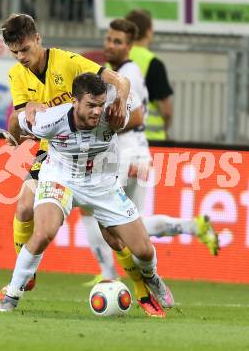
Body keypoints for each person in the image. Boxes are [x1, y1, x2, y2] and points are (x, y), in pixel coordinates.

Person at [0, 73, 174, 313]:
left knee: (143, 250)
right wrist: (16, 140)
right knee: (44, 232)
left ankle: (151, 277)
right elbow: (16, 119)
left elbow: (134, 107)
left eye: (100, 105)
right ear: (74, 102)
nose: (97, 112)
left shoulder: (114, 115)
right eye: (90, 105)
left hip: (103, 185)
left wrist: (121, 102)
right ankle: (11, 297)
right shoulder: (49, 120)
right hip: (60, 178)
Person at [81, 19, 219, 298]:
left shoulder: (129, 73)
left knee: (92, 209)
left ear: (130, 46)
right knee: (134, 224)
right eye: (108, 39)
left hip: (125, 153)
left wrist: (100, 126)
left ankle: (108, 276)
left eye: (117, 41)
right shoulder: (122, 72)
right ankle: (192, 227)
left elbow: (137, 116)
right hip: (136, 152)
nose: (110, 45)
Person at [0, 13, 129, 294]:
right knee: (23, 207)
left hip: (91, 152)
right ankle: (26, 274)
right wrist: (24, 113)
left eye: (25, 49)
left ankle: (144, 284)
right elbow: (22, 115)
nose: (21, 57)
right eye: (14, 52)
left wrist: (120, 100)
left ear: (37, 39)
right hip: (53, 152)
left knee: (113, 234)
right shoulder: (16, 75)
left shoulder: (68, 62)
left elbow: (119, 80)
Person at [125, 9, 173, 141]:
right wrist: (166, 129)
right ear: (148, 31)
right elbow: (166, 111)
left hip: (120, 139)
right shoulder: (153, 63)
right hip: (149, 139)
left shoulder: (112, 61)